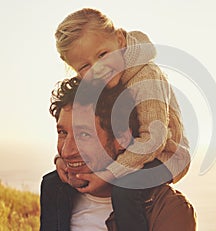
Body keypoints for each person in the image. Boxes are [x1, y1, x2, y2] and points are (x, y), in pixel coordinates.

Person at [54, 8, 191, 230]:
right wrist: (65, 161)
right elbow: (78, 125)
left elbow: (154, 139)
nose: (98, 69)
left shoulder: (147, 76)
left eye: (102, 55)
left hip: (166, 155)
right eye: (85, 66)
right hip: (129, 147)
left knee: (126, 190)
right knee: (53, 183)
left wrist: (110, 174)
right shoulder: (101, 79)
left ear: (119, 39)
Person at [40, 77, 196, 231]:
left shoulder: (169, 210)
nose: (66, 151)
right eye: (62, 132)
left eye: (84, 135)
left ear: (121, 138)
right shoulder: (56, 193)